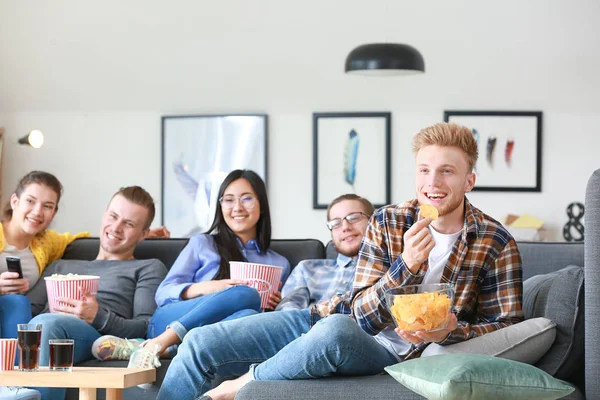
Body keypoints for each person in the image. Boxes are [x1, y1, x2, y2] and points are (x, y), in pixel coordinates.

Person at [156, 122, 524, 400]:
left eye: (447, 170)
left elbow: (507, 326)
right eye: (424, 169)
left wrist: (450, 332)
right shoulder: (388, 221)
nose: (433, 181)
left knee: (335, 333)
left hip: (384, 348)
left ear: (469, 180)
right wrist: (407, 265)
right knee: (201, 342)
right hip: (326, 316)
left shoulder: (495, 242)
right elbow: (362, 309)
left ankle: (246, 383)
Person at [92, 169, 291, 363]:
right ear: (220, 207)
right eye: (229, 200)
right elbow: (163, 294)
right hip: (168, 322)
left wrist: (276, 304)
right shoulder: (202, 244)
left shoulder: (279, 263)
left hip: (225, 331)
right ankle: (161, 341)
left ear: (262, 204)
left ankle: (157, 349)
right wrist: (210, 288)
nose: (237, 207)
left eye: (246, 198)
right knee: (246, 294)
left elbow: (275, 321)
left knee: (249, 316)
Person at [25, 186, 168, 400]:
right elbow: (23, 312)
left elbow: (146, 326)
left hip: (94, 338)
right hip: (45, 330)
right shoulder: (60, 266)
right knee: (33, 320)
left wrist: (97, 316)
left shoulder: (147, 267)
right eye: (113, 216)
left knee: (48, 325)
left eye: (128, 224)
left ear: (144, 234)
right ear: (104, 215)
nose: (116, 227)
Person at [0, 171, 90, 340]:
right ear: (15, 202)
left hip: (14, 315)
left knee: (18, 303)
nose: (37, 212)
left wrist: (138, 235)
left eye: (47, 206)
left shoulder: (46, 242)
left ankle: (16, 364)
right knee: (17, 302)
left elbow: (79, 238)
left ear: (54, 213)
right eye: (30, 201)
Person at [276, 194, 373, 311]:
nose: (345, 227)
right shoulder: (306, 268)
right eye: (336, 223)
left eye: (354, 218)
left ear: (374, 222)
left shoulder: (392, 270)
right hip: (308, 327)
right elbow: (287, 311)